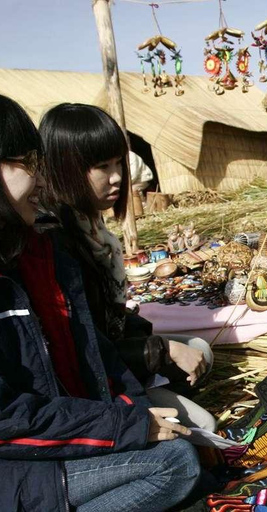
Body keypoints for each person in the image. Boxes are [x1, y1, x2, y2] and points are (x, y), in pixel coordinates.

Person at [0, 94, 200, 511]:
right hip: (21, 460)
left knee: (184, 437)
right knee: (179, 461)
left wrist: (133, 412)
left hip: (54, 430)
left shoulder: (43, 251)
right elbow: (12, 417)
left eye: (117, 165)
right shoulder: (47, 246)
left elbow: (91, 350)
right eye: (24, 163)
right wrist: (125, 424)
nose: (39, 181)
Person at [39, 103, 216, 431]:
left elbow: (110, 322)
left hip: (113, 355)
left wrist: (157, 345)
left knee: (201, 350)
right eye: (102, 167)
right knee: (204, 426)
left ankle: (159, 395)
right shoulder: (57, 246)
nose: (118, 176)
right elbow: (87, 349)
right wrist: (161, 351)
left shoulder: (90, 226)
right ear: (66, 169)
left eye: (118, 162)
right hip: (92, 382)